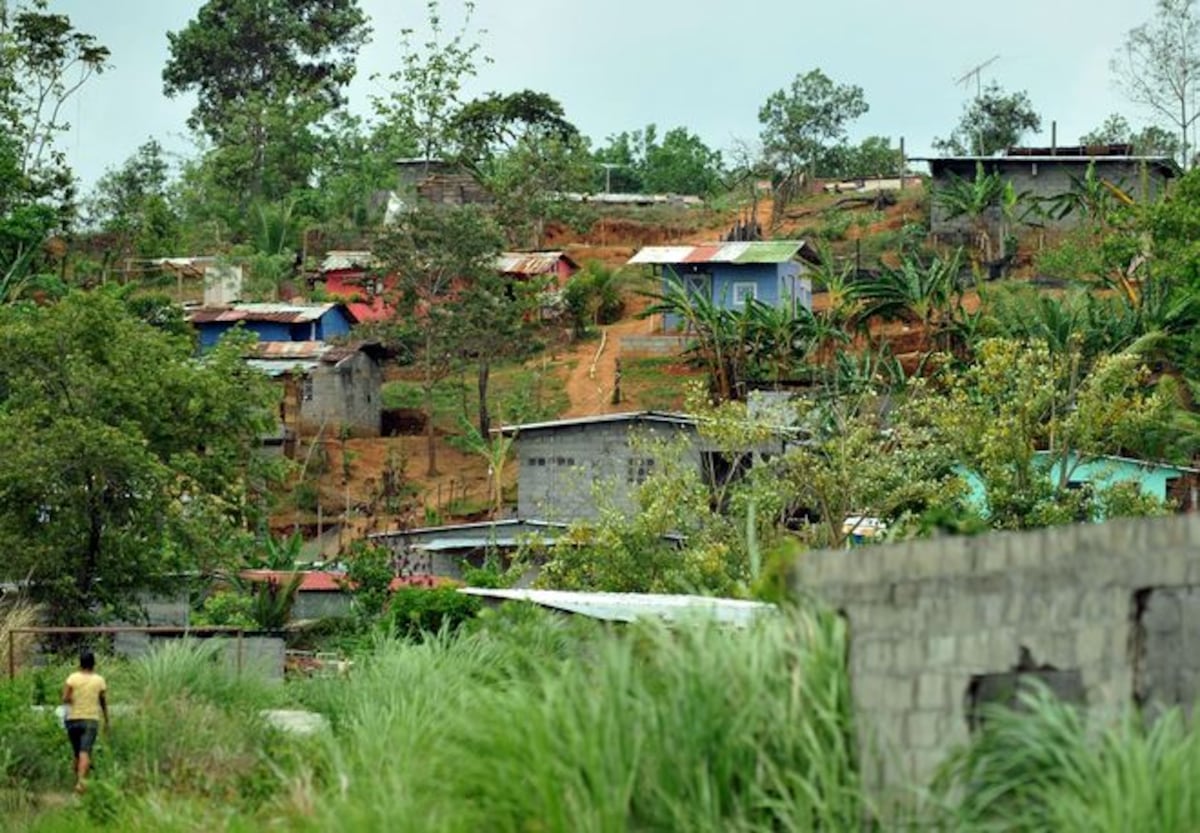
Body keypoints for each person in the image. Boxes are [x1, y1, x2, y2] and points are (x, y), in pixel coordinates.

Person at [61, 649, 108, 794]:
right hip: (90, 720)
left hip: (72, 720)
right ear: (93, 664)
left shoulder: (72, 678)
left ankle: (77, 784)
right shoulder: (99, 680)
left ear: (80, 663)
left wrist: (73, 699)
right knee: (85, 752)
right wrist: (107, 719)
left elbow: (65, 698)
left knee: (77, 753)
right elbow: (102, 701)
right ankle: (81, 783)